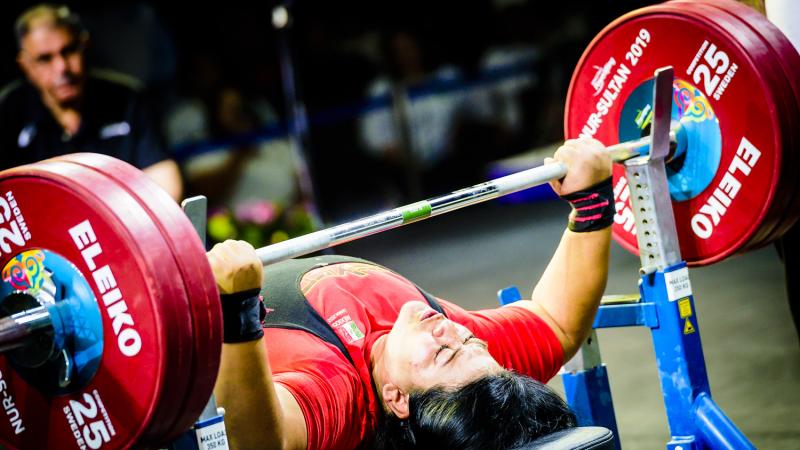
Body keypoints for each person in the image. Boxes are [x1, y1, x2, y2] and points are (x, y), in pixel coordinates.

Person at [206, 137, 614, 450]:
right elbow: (557, 324)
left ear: (397, 399)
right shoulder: (475, 373)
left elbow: (261, 443)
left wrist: (236, 312)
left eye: (444, 352)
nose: (450, 331)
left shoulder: (339, 393)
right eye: (469, 339)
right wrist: (593, 201)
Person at [0, 4, 182, 200]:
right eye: (45, 59)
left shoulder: (126, 100)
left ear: (84, 45)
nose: (62, 67)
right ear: (26, 65)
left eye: (69, 51)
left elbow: (166, 183)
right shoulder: (9, 112)